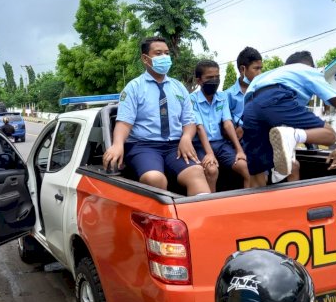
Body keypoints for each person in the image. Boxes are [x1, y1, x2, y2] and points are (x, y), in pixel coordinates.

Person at [102, 36, 210, 196]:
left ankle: (202, 220)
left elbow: (189, 121)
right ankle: (166, 221)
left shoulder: (179, 87)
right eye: (158, 53)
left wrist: (186, 137)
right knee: (155, 179)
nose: (164, 57)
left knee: (197, 173)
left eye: (167, 53)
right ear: (145, 59)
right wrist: (117, 144)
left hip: (175, 146)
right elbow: (124, 123)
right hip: (144, 146)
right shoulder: (134, 88)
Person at [242, 51, 336, 188]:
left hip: (250, 108)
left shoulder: (269, 75)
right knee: (329, 135)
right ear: (310, 65)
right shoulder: (307, 70)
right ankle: (293, 135)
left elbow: (259, 110)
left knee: (257, 175)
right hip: (275, 98)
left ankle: (259, 208)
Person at [190, 60, 251, 192]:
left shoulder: (222, 97)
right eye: (209, 78)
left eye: (217, 77)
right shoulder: (192, 99)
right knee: (211, 170)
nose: (214, 80)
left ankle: (247, 206)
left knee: (245, 167)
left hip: (221, 144)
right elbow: (199, 127)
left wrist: (239, 150)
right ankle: (211, 207)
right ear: (199, 81)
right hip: (200, 145)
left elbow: (228, 123)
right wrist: (209, 153)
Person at [224, 47, 263, 140]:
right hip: (238, 141)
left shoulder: (262, 91)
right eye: (256, 68)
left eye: (261, 68)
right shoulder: (228, 95)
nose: (260, 73)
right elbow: (225, 122)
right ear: (242, 69)